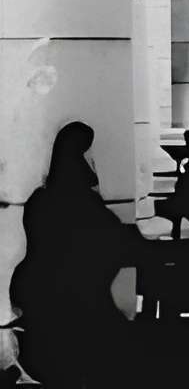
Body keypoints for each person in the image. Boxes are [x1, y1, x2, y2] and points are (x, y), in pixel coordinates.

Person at [9, 124, 142, 387]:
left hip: (44, 317)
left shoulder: (41, 201)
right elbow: (118, 244)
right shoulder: (84, 207)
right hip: (80, 317)